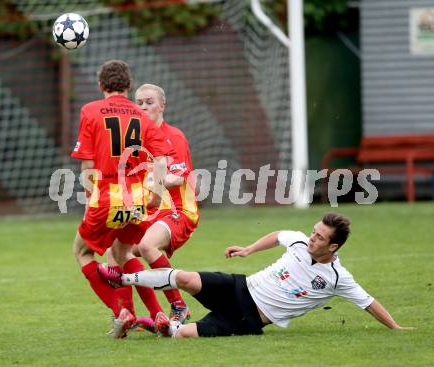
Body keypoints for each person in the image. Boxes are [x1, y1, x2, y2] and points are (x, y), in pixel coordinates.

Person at [99, 212, 415, 338]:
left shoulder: (336, 277)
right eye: (313, 231)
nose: (311, 238)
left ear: (332, 246)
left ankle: (142, 323)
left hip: (248, 318)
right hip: (239, 286)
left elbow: (368, 302)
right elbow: (278, 234)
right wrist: (249, 249)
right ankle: (122, 278)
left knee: (180, 335)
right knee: (183, 277)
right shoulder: (300, 240)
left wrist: (396, 327)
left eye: (319, 237)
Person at [71, 60, 172, 339]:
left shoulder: (90, 111)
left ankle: (121, 311)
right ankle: (157, 313)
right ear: (128, 86)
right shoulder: (141, 116)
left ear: (101, 85)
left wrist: (91, 198)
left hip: (107, 194)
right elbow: (160, 159)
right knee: (123, 253)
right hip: (137, 196)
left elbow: (88, 164)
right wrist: (157, 193)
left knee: (82, 252)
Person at [106, 83, 199, 336]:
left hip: (178, 209)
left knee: (146, 246)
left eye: (149, 101)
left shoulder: (174, 136)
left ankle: (178, 306)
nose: (143, 106)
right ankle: (128, 315)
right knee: (116, 253)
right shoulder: (135, 140)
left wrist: (152, 181)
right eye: (139, 102)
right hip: (150, 211)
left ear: (162, 105)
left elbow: (179, 178)